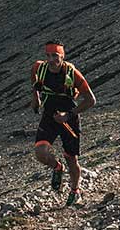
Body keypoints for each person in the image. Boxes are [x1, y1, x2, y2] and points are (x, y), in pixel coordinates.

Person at [31, 42, 95, 206]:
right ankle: (57, 168)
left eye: (55, 56)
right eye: (48, 55)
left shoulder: (72, 74)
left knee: (71, 158)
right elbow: (34, 80)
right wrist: (36, 97)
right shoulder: (40, 68)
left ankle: (75, 190)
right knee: (40, 152)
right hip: (50, 114)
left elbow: (90, 100)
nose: (51, 60)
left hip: (69, 118)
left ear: (62, 56)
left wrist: (69, 115)